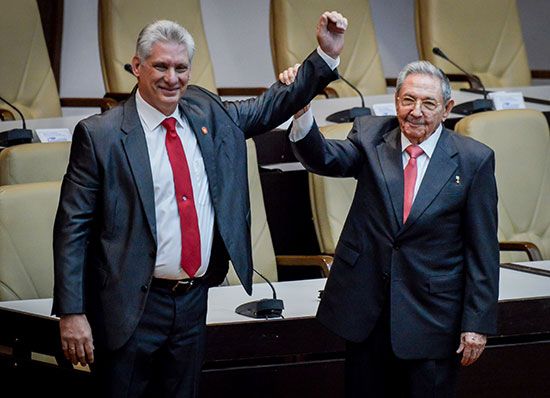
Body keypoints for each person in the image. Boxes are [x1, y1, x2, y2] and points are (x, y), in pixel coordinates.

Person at [52, 12, 347, 397]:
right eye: (160, 66)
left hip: (192, 302)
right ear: (137, 67)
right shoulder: (100, 135)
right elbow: (72, 226)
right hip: (130, 307)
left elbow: (270, 107)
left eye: (180, 67)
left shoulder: (206, 111)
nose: (171, 78)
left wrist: (323, 56)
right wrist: (72, 312)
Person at [283, 60, 499, 397]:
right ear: (396, 101)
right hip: (367, 314)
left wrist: (476, 323)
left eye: (429, 103)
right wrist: (301, 109)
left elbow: (482, 249)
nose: (416, 112)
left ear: (447, 110)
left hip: (433, 317)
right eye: (408, 100)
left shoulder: (474, 160)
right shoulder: (370, 136)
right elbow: (322, 157)